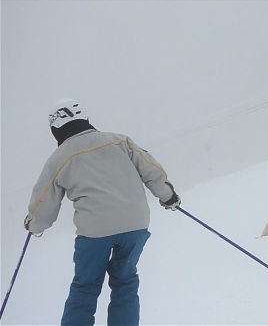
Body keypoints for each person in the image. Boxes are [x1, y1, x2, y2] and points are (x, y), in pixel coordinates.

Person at [23, 98, 181, 326]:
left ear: (56, 129)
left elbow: (43, 201)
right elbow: (151, 169)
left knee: (85, 287)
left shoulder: (58, 158)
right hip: (135, 224)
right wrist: (168, 196)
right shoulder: (118, 141)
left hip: (95, 232)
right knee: (125, 281)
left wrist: (34, 224)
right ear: (85, 119)